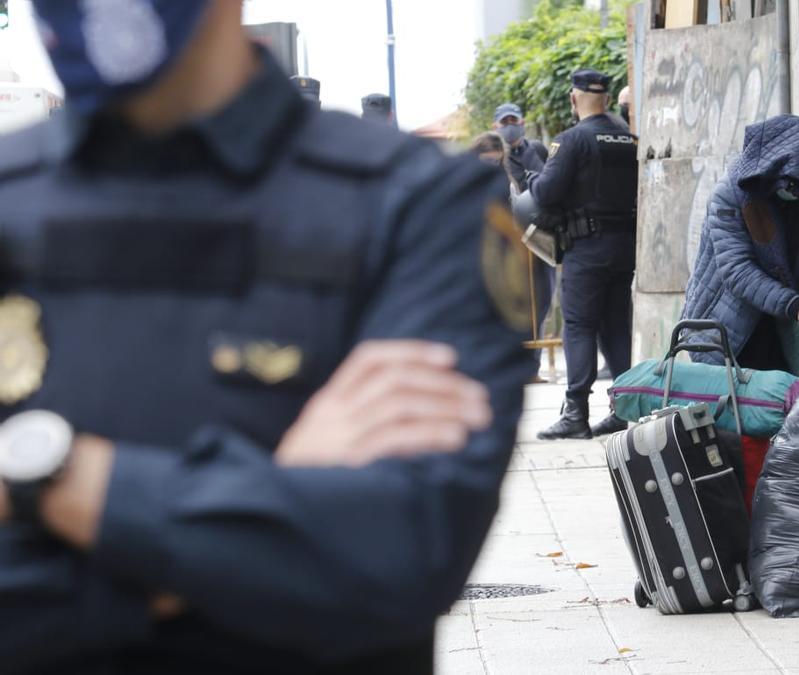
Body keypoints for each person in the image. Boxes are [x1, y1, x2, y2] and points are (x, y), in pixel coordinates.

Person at [0, 1, 535, 673]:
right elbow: (337, 558)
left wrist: (44, 479)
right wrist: (264, 518)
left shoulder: (417, 203)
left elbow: (399, 554)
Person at [679, 114, 799, 376]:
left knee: (774, 407)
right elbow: (737, 270)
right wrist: (797, 306)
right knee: (728, 408)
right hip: (722, 327)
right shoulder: (731, 192)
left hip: (780, 331)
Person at [530, 69, 637, 440]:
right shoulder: (628, 138)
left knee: (578, 326)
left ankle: (575, 414)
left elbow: (545, 193)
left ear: (574, 98)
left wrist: (532, 180)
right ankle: (625, 410)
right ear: (606, 98)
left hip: (586, 248)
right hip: (625, 247)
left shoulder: (573, 140)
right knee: (615, 326)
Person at [493, 102, 547, 193]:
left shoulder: (537, 148)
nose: (510, 126)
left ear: (522, 122)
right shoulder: (493, 161)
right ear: (495, 127)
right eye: (504, 122)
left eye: (514, 120)